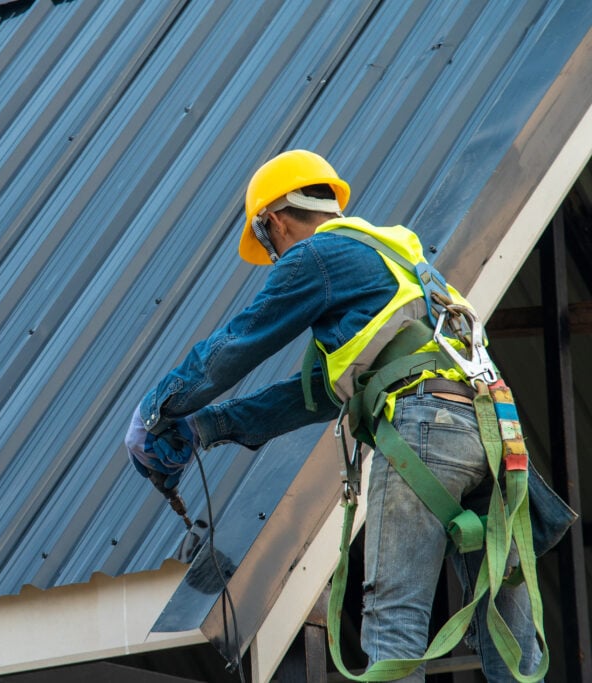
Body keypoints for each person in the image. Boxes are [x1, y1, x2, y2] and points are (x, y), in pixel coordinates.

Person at [124, 149, 550, 681]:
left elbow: (237, 345)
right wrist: (208, 427)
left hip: (424, 430)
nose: (277, 261)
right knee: (507, 629)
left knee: (394, 623)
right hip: (491, 435)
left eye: (270, 246)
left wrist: (159, 407)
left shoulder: (317, 258)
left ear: (273, 221)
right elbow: (319, 395)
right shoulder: (396, 258)